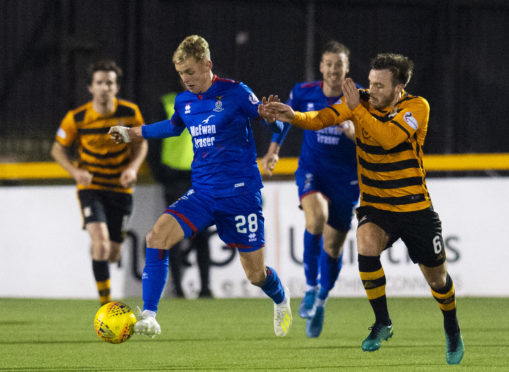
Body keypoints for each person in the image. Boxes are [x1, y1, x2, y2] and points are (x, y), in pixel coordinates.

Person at [259, 53, 464, 364]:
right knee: (366, 245)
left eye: (379, 85)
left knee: (437, 280)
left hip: (415, 207)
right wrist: (293, 116)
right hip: (376, 204)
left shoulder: (417, 107)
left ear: (400, 87)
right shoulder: (361, 101)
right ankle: (383, 322)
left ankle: (452, 328)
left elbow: (388, 138)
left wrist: (356, 111)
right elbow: (322, 118)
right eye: (370, 83)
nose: (371, 90)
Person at [109, 35, 292, 337]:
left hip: (240, 195)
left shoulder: (236, 93)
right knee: (156, 237)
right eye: (181, 74)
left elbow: (272, 121)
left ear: (207, 64)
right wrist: (131, 134)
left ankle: (281, 298)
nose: (186, 80)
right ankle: (150, 315)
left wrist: (272, 119)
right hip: (203, 194)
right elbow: (172, 126)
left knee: (256, 275)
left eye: (191, 72)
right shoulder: (184, 101)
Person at [260, 41, 359, 338]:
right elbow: (287, 120)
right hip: (312, 170)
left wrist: (355, 133)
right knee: (316, 219)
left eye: (338, 65)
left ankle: (322, 299)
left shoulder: (357, 98)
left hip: (347, 178)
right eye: (328, 63)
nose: (332, 70)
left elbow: (372, 138)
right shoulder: (304, 92)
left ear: (346, 68)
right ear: (321, 66)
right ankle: (311, 288)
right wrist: (273, 150)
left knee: (333, 246)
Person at [51, 59, 148, 305]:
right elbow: (57, 150)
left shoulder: (129, 113)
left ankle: (100, 249)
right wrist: (75, 172)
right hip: (91, 188)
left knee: (113, 253)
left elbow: (141, 142)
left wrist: (133, 168)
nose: (105, 87)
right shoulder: (77, 118)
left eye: (110, 83)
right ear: (90, 87)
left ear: (116, 87)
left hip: (121, 188)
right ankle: (105, 305)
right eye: (100, 82)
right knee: (102, 245)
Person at [147, 91, 212, 298]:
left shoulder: (212, 101)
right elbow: (155, 141)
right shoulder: (167, 103)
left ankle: (205, 289)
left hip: (201, 175)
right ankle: (178, 289)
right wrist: (160, 174)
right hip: (174, 176)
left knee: (202, 234)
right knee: (174, 233)